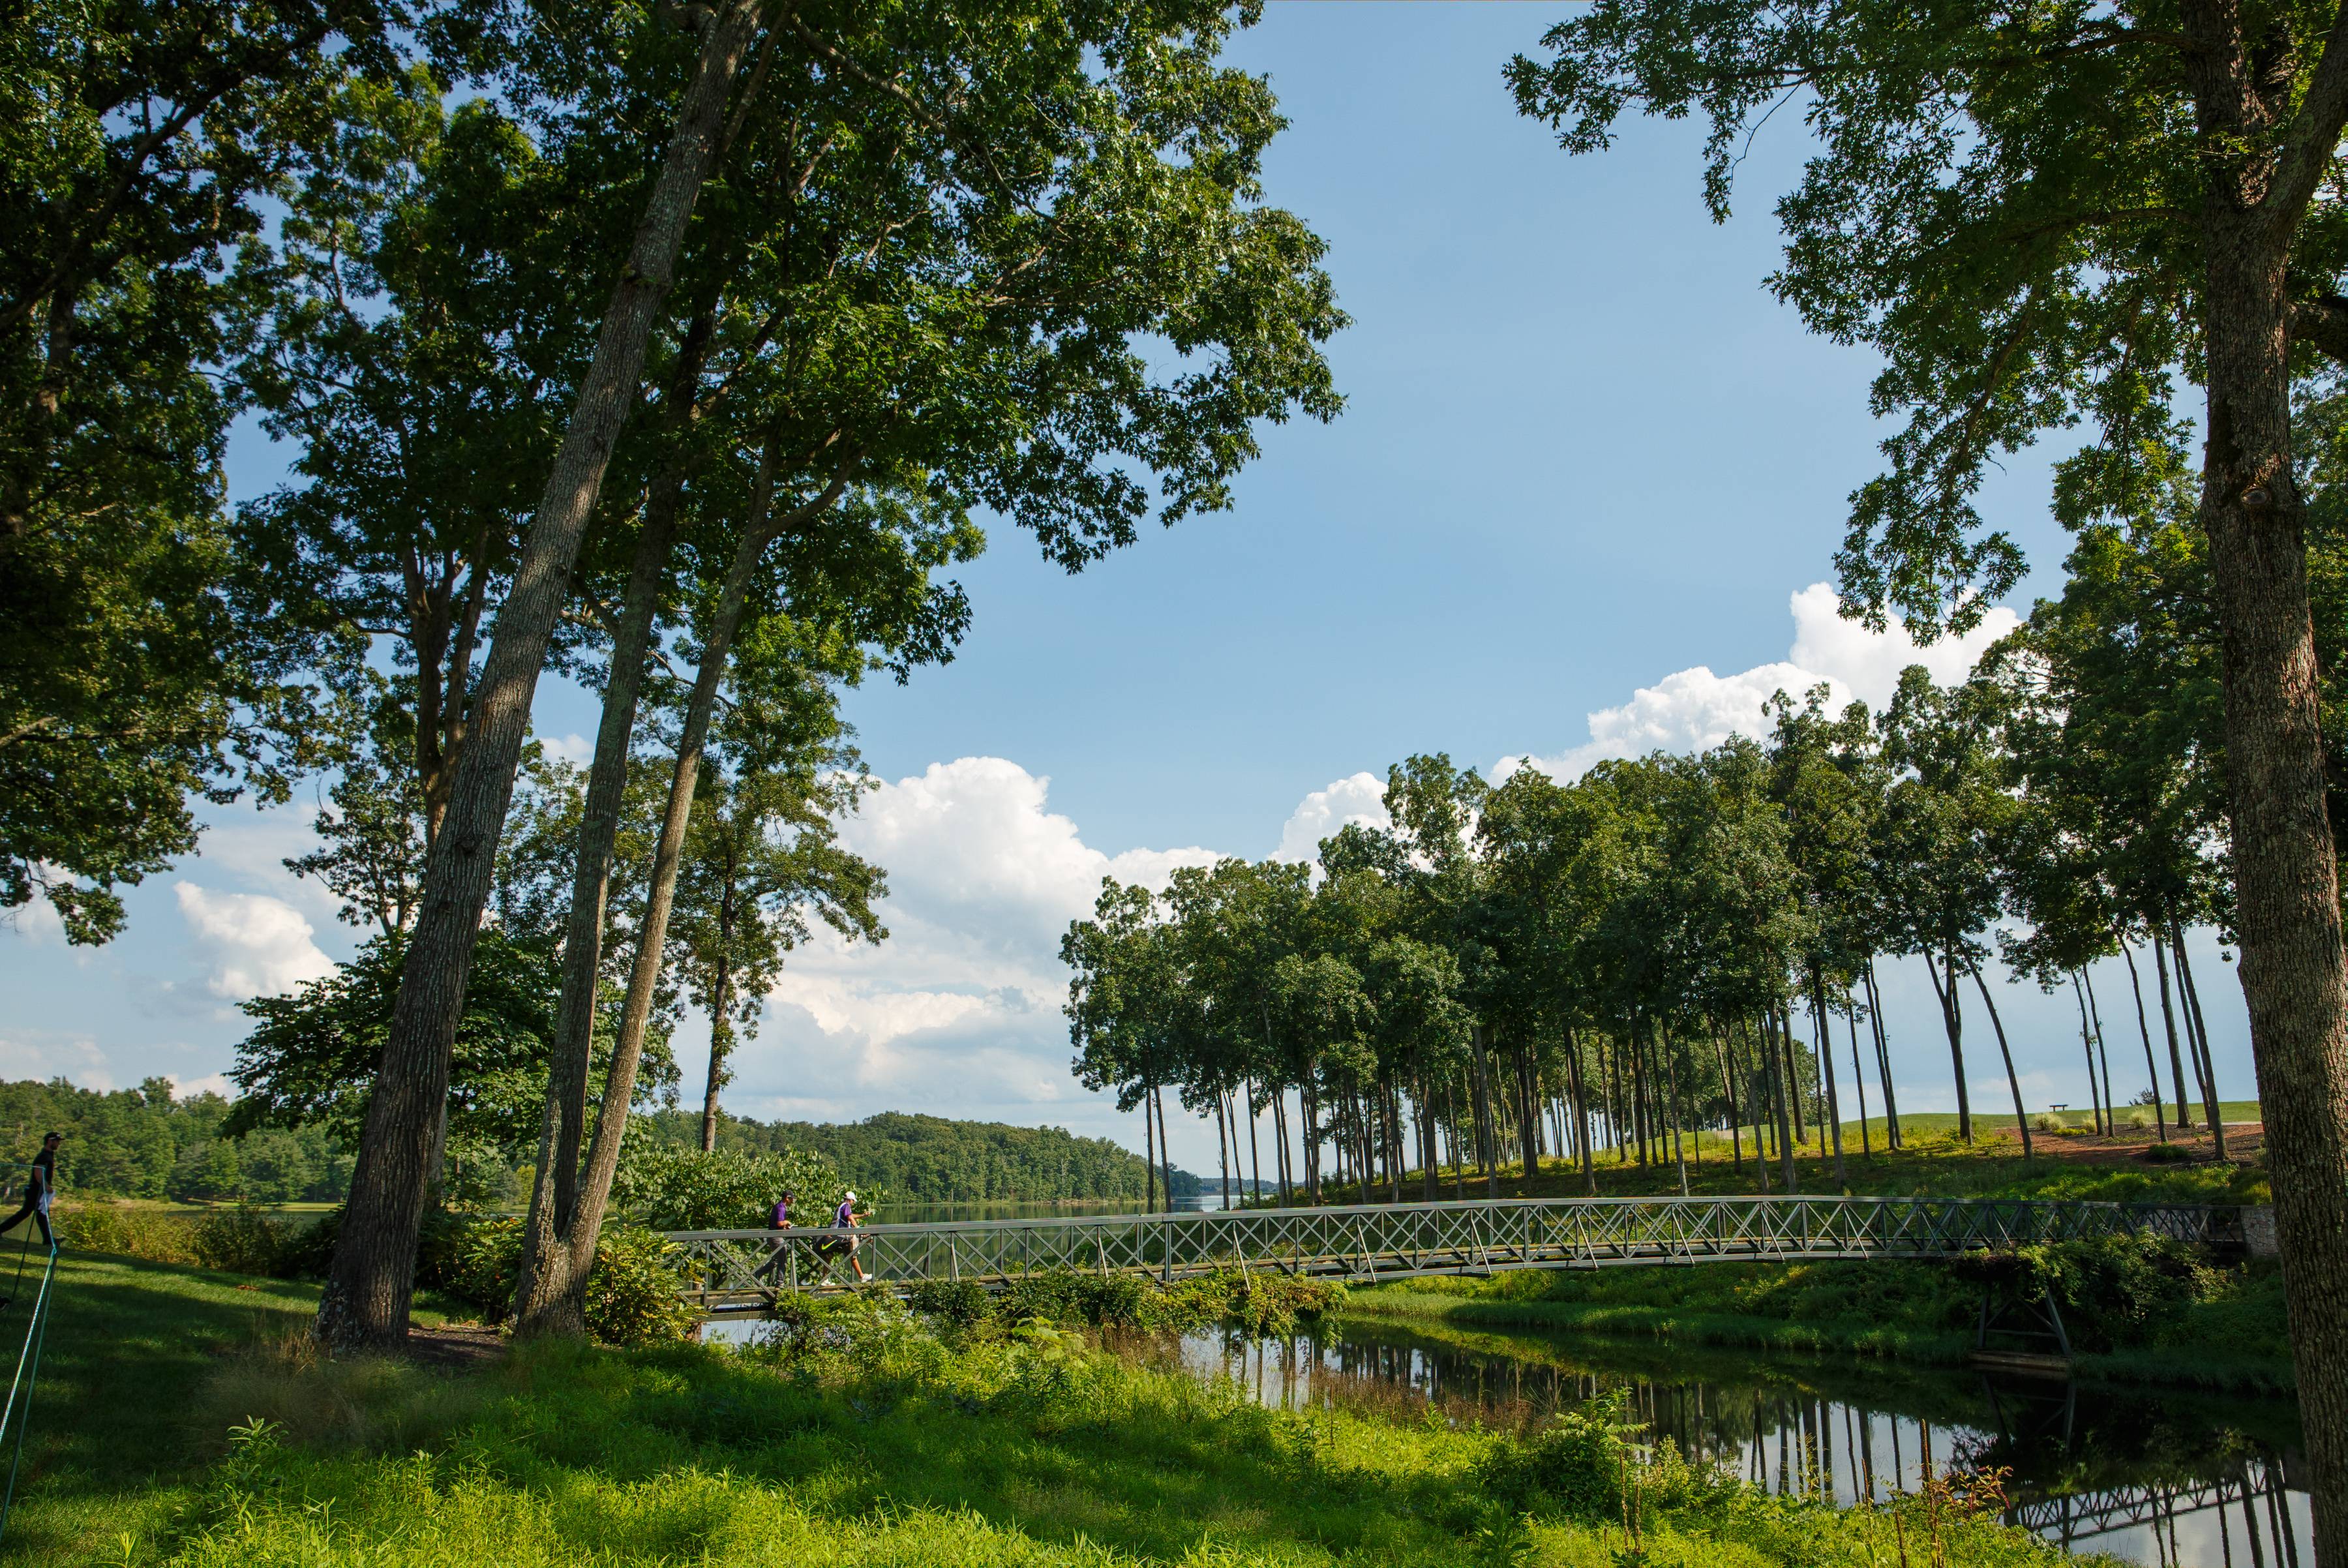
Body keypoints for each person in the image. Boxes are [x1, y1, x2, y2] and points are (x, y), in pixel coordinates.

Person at [0, 1133, 60, 1252]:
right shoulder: (43, 1156)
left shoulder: (49, 1155)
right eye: (57, 1141)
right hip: (35, 1191)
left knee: (41, 1214)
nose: (59, 1144)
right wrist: (46, 1186)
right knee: (28, 1214)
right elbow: (38, 1173)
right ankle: (48, 1240)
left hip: (40, 1191)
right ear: (50, 1141)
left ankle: (49, 1240)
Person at [752, 1189, 796, 1284]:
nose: (793, 1201)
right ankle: (780, 1283)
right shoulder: (781, 1208)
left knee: (776, 1260)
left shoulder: (779, 1206)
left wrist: (785, 1227)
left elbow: (776, 1224)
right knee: (782, 1260)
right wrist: (787, 1222)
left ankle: (758, 1274)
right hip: (776, 1238)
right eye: (791, 1199)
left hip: (773, 1236)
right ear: (787, 1198)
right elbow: (780, 1223)